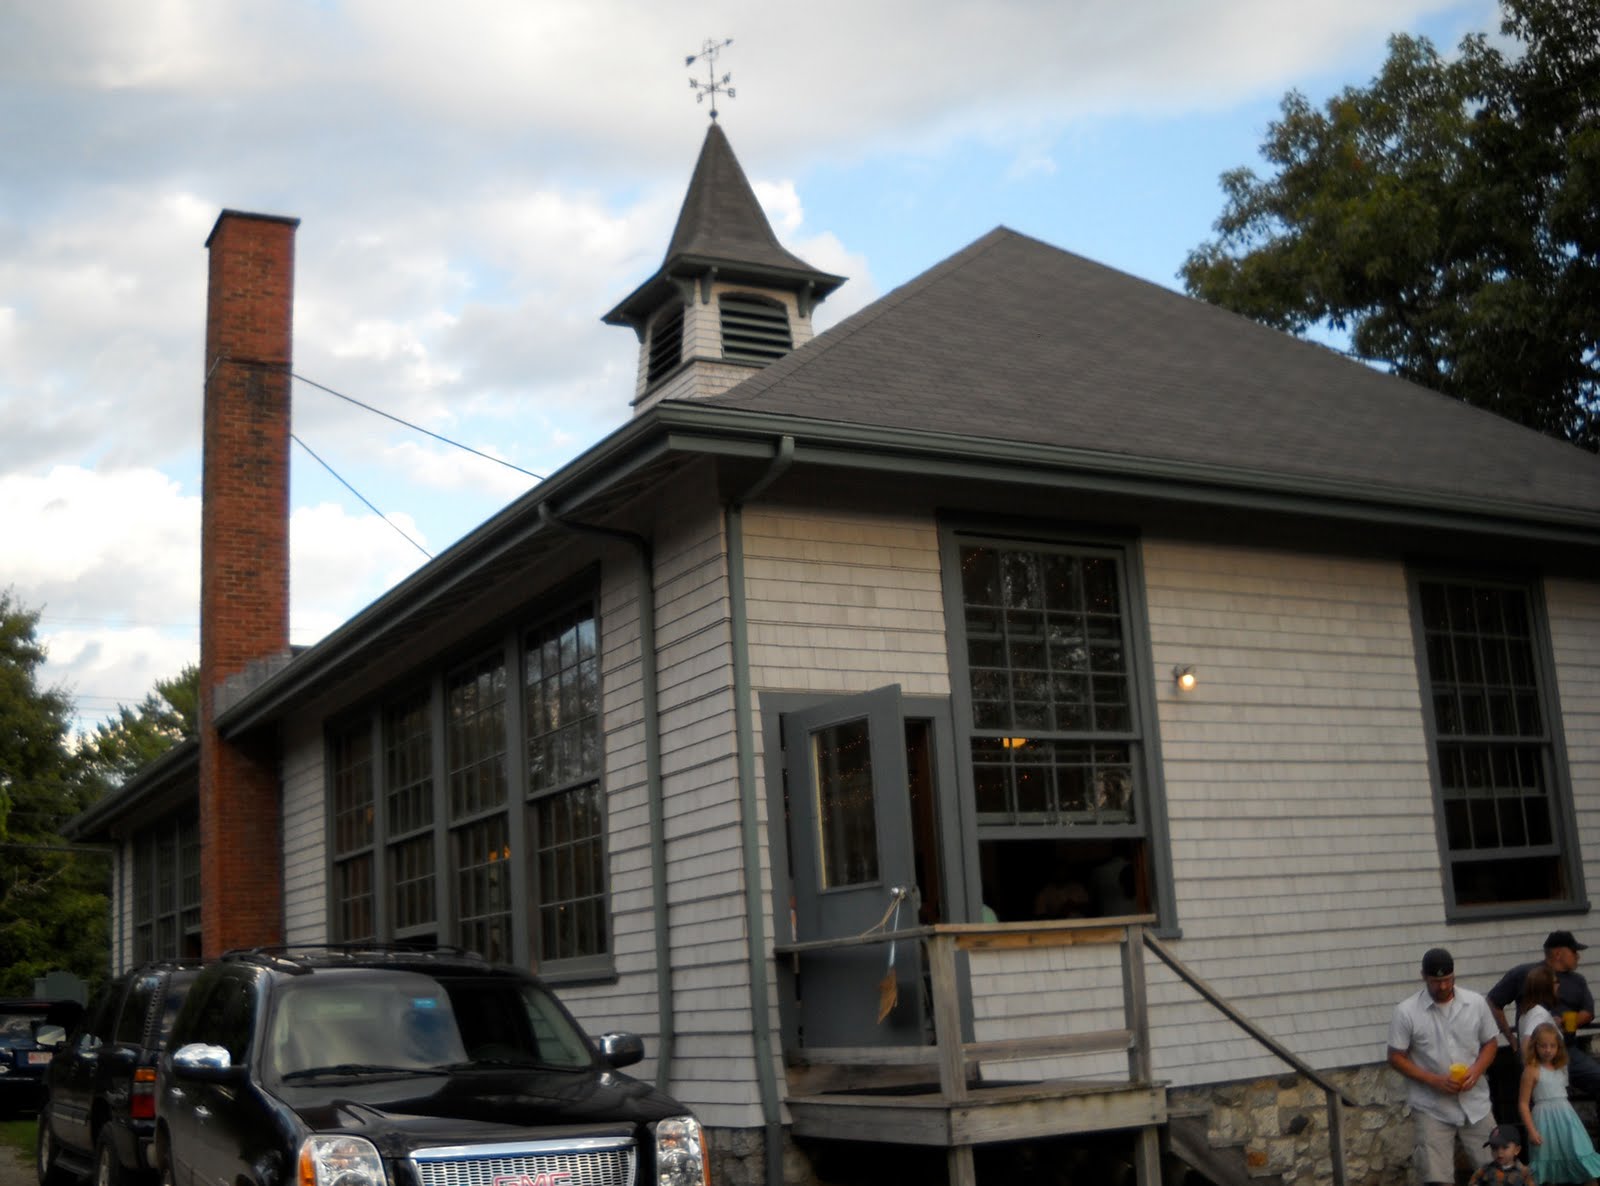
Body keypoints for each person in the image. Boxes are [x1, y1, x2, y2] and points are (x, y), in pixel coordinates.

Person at [1390, 947, 1501, 1186]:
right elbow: (1395, 1057)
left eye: (1447, 980)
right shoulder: (1406, 1011)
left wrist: (1477, 1069)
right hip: (1431, 1106)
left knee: (1496, 1174)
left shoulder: (1476, 1003)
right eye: (1436, 981)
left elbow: (1491, 1043)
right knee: (1436, 1180)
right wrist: (1435, 1081)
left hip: (1476, 1102)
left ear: (1454, 975)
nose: (1442, 987)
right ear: (1423, 977)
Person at [1488, 932, 1600, 1099]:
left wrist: (1568, 1021)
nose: (1578, 956)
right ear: (1558, 954)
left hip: (1567, 1048)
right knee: (1541, 1094)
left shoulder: (1578, 980)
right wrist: (1510, 1038)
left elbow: (1588, 1012)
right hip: (1535, 1052)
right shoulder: (1526, 974)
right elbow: (1494, 1001)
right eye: (1574, 951)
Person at [1519, 1021, 1600, 1185]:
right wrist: (1531, 1131)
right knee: (1543, 1166)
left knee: (1582, 1158)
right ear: (1535, 1046)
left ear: (1558, 1047)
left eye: (1552, 1046)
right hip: (1543, 1122)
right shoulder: (1531, 1070)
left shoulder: (1561, 1067)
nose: (1548, 1050)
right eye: (1543, 1046)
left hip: (1567, 1120)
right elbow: (1522, 1104)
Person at [1468, 1124, 1537, 1186]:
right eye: (1494, 1148)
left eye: (1505, 1147)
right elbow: (1473, 1182)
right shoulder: (1484, 1169)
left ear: (1517, 1150)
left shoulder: (1524, 1172)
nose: (1499, 1152)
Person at [1520, 966, 1561, 1053]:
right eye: (1556, 982)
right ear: (1546, 987)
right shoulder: (1539, 1014)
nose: (1558, 985)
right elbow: (1526, 1044)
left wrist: (1550, 1023)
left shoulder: (1530, 1012)